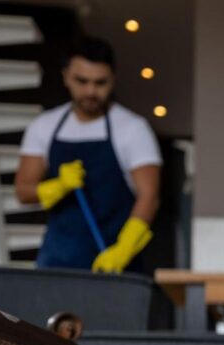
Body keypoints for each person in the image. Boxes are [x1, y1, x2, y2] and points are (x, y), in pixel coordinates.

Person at [15, 37, 161, 273]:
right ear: (66, 77)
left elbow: (149, 196)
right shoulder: (44, 126)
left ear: (112, 79)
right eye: (82, 81)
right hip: (56, 263)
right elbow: (23, 190)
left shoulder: (132, 128)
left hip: (114, 265)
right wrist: (58, 186)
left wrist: (124, 248)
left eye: (100, 83)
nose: (91, 91)